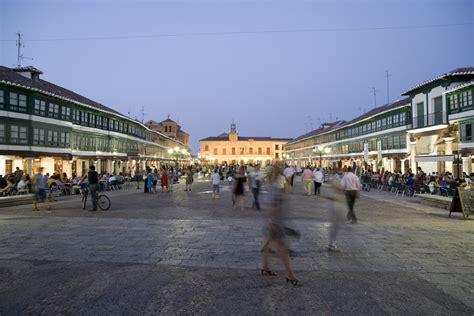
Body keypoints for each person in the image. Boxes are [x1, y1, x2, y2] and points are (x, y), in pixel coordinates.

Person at [260, 163, 298, 286]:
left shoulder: (272, 186)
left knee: (268, 245)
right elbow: (270, 205)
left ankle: (266, 267)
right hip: (275, 222)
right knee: (283, 249)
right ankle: (290, 275)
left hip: (275, 221)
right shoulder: (275, 187)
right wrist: (271, 221)